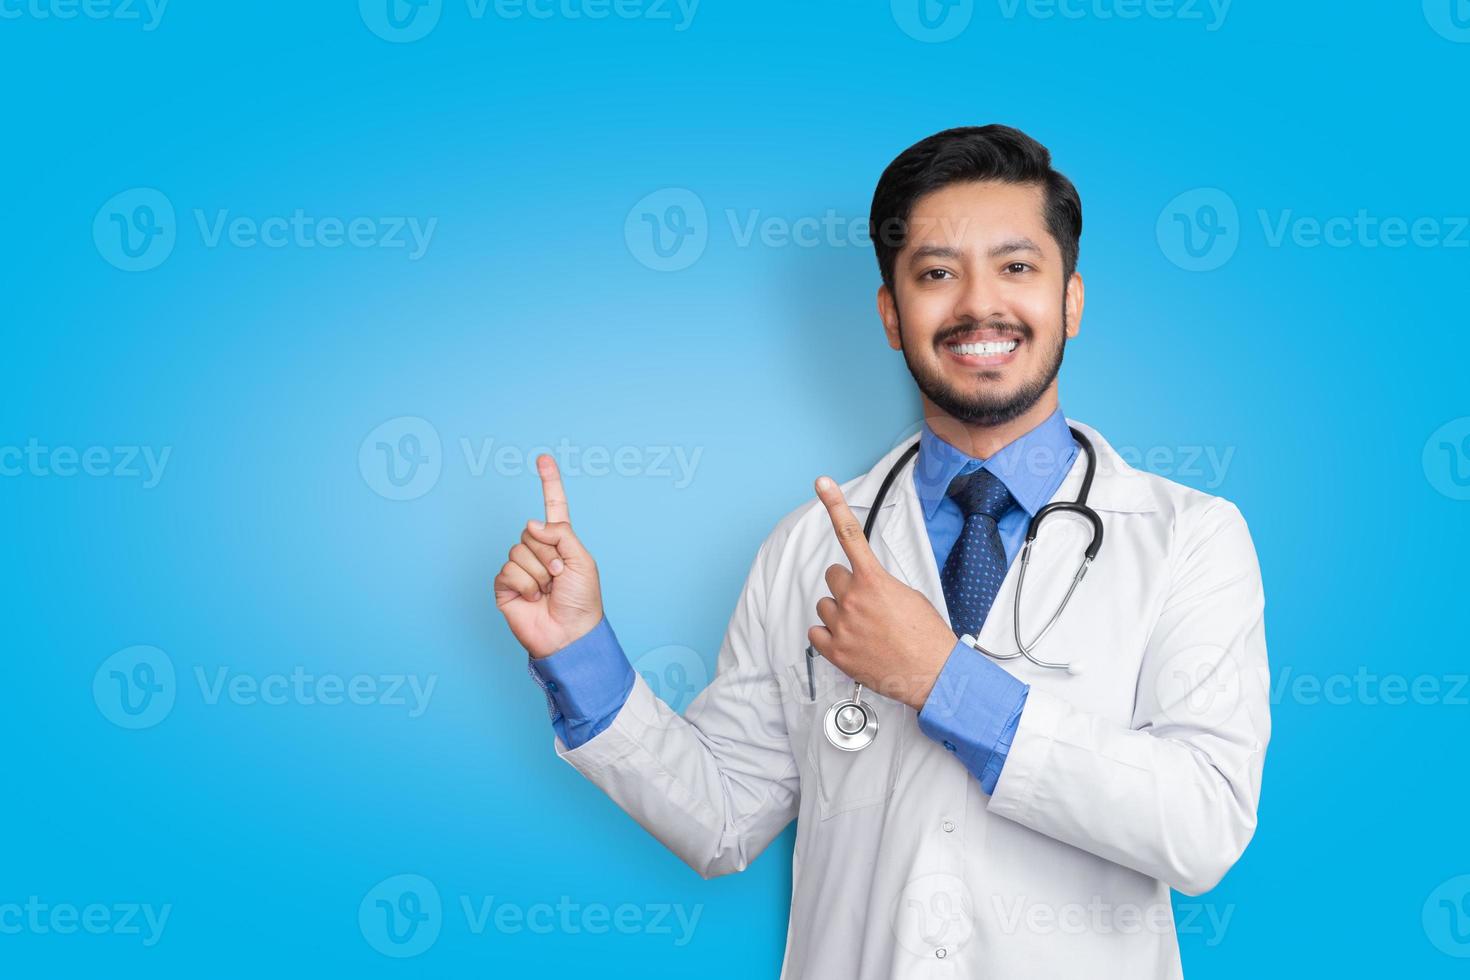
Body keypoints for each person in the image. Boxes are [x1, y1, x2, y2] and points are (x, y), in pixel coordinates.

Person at [494, 124, 1270, 979]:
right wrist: (580, 652)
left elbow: (1203, 827)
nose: (979, 305)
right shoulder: (805, 547)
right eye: (937, 274)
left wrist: (941, 680)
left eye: (1017, 267)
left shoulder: (1189, 537)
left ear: (1071, 301)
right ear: (891, 315)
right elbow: (720, 817)